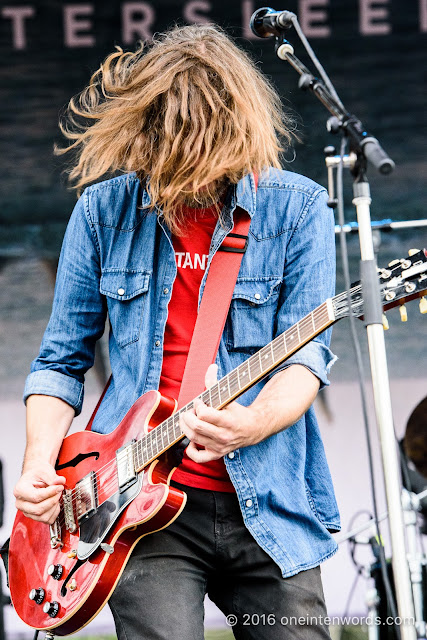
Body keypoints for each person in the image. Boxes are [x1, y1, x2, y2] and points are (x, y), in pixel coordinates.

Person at [13, 24, 340, 640]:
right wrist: (37, 465)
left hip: (268, 498)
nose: (178, 172)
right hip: (134, 509)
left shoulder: (297, 208)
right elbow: (60, 361)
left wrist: (254, 422)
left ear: (232, 133)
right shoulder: (103, 210)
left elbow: (307, 360)